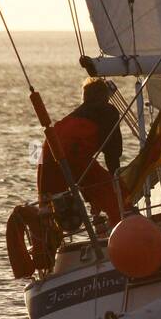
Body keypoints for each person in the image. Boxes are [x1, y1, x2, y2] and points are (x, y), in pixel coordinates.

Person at [37, 78, 124, 229]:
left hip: (47, 154)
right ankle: (120, 226)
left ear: (85, 97)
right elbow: (112, 150)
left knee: (48, 205)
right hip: (72, 153)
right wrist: (115, 180)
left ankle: (47, 237)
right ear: (104, 96)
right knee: (112, 195)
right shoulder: (108, 112)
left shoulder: (75, 115)